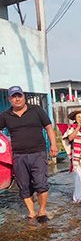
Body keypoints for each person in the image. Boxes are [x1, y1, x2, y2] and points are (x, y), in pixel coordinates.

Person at [0, 86, 58, 221]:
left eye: (19, 95)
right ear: (9, 99)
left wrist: (54, 145)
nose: (17, 99)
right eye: (13, 96)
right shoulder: (5, 116)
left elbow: (49, 127)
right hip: (18, 156)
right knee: (24, 186)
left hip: (38, 153)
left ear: (23, 96)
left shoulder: (36, 110)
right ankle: (32, 212)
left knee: (41, 183)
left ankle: (42, 211)